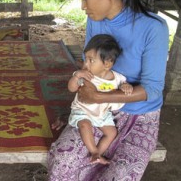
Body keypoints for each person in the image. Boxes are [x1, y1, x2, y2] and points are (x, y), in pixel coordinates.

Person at [48, 0, 169, 180]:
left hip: (141, 119)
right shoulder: (96, 20)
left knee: (119, 176)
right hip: (98, 112)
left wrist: (98, 96)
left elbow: (153, 89)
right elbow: (87, 68)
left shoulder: (153, 27)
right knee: (63, 162)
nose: (82, 6)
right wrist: (80, 109)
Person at [55, 34, 133, 165]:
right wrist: (76, 76)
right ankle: (94, 152)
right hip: (82, 111)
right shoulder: (86, 75)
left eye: (91, 60)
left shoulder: (117, 78)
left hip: (102, 114)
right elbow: (71, 88)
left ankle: (98, 154)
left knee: (112, 132)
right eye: (86, 59)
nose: (86, 64)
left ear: (107, 64)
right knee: (85, 125)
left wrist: (126, 86)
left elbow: (124, 87)